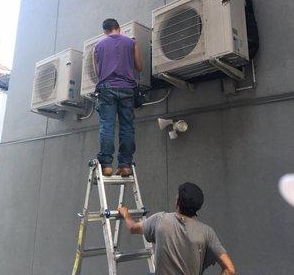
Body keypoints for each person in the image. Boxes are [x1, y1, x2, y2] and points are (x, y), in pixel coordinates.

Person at [119, 182, 236, 275]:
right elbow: (230, 270)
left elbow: (133, 228)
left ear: (178, 201)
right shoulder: (207, 232)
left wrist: (126, 214)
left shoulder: (160, 220)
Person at [93, 18, 143, 177]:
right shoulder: (131, 43)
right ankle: (125, 165)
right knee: (127, 127)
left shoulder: (98, 46)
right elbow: (139, 67)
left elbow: (98, 73)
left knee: (107, 126)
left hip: (106, 88)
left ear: (104, 31)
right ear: (119, 28)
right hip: (127, 88)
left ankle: (106, 165)